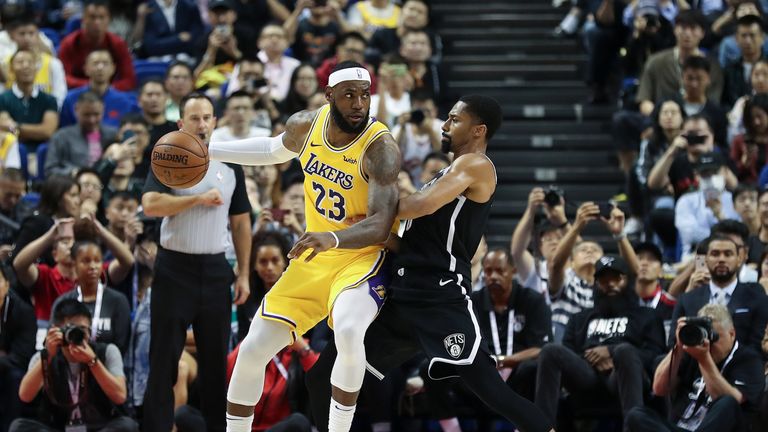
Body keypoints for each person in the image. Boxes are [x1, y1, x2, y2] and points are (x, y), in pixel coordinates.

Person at [305, 95, 555, 432]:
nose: (445, 125)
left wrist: (369, 195)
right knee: (322, 375)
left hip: (441, 295)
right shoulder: (441, 174)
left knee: (492, 391)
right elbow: (407, 242)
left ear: (478, 129)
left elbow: (419, 205)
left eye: (454, 119)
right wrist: (363, 228)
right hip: (402, 293)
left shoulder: (476, 165)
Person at [207, 60, 400, 432]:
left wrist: (332, 237)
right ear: (329, 96)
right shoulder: (305, 124)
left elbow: (379, 224)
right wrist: (210, 150)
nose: (359, 104)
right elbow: (271, 150)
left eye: (364, 95)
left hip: (360, 260)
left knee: (346, 331)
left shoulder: (381, 148)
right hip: (313, 260)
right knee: (251, 351)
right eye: (349, 96)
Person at [141, 92, 252, 432]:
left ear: (215, 121)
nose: (201, 124)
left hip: (216, 270)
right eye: (194, 118)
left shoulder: (231, 164)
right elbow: (150, 204)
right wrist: (196, 200)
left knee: (216, 366)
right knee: (164, 362)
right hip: (174, 269)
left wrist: (244, 273)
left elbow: (241, 221)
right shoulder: (168, 158)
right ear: (181, 124)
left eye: (207, 117)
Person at [535, 255, 666, 427]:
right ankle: (540, 428)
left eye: (616, 278)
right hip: (587, 377)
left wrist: (611, 352)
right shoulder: (578, 319)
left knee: (624, 351)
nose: (610, 284)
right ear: (595, 284)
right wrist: (593, 359)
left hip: (624, 377)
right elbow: (568, 353)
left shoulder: (647, 315)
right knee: (550, 350)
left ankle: (635, 429)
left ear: (628, 280)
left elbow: (655, 354)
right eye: (603, 279)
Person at [626, 304, 765, 432]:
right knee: (636, 415)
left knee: (728, 402)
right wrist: (679, 346)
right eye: (705, 336)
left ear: (732, 333)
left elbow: (732, 401)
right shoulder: (692, 350)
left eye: (714, 337)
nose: (709, 344)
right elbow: (659, 389)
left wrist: (704, 359)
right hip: (681, 427)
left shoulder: (749, 359)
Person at [12, 299, 137, 432]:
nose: (77, 335)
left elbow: (120, 396)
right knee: (19, 427)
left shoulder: (107, 352)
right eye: (71, 329)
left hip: (99, 427)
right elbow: (25, 396)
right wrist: (48, 356)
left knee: (127, 426)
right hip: (58, 427)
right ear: (56, 330)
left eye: (82, 330)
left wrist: (93, 361)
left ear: (90, 332)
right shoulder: (43, 357)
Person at [670, 234, 768, 352]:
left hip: (742, 366)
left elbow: (757, 345)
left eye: (728, 254)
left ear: (739, 259)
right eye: (715, 254)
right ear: (706, 259)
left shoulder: (757, 298)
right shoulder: (686, 300)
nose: (721, 259)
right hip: (694, 365)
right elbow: (673, 344)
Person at [50, 234, 133, 354]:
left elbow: (122, 347)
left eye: (97, 261)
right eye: (86, 261)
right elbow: (55, 341)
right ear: (74, 264)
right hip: (71, 367)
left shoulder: (118, 301)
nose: (93, 266)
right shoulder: (63, 302)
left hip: (107, 368)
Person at [58, 0, 136, 91]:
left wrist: (106, 89)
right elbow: (63, 78)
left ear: (108, 19)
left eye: (101, 17)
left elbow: (129, 80)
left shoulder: (118, 44)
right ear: (83, 19)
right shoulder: (69, 44)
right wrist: (94, 86)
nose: (97, 22)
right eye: (92, 17)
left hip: (110, 93)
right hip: (78, 95)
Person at [44, 91, 119, 178]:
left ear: (103, 111)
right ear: (76, 110)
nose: (92, 120)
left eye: (96, 114)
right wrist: (73, 173)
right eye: (87, 115)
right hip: (73, 185)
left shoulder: (113, 135)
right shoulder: (61, 137)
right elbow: (50, 170)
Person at [58, 50, 137, 129]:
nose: (100, 67)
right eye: (95, 63)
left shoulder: (126, 101)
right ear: (86, 69)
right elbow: (64, 131)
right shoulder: (71, 98)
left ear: (113, 68)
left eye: (105, 63)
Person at [0, 263, 36, 432]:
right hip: (5, 361)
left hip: (9, 372)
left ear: (7, 284)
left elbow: (21, 357)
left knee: (15, 376)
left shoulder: (23, 312)